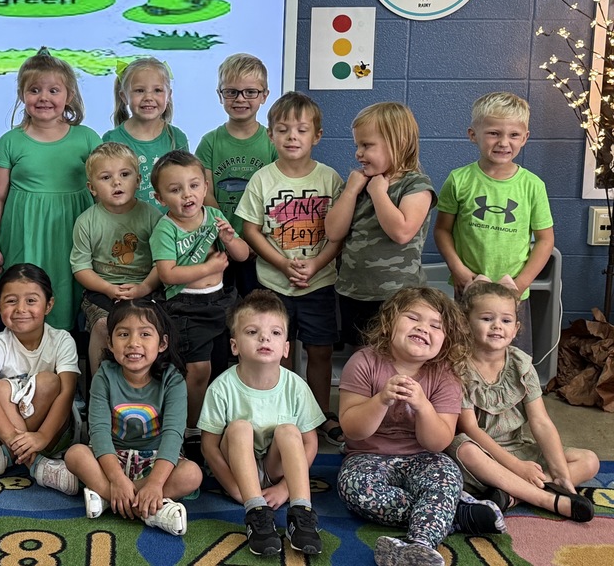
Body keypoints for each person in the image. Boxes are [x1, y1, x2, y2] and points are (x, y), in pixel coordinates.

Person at [337, 287, 505, 566]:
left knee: (448, 474)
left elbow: (438, 442)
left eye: (436, 326)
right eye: (413, 318)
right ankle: (454, 513)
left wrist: (423, 406)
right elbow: (353, 430)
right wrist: (381, 400)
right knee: (354, 490)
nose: (423, 328)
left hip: (423, 457)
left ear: (446, 340)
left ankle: (420, 543)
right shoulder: (364, 362)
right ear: (389, 323)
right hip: (366, 457)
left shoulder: (446, 375)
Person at [237, 92, 344, 447]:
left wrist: (316, 264)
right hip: (273, 285)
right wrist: (282, 263)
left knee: (320, 351)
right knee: (276, 351)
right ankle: (282, 411)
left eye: (301, 129)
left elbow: (339, 233)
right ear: (271, 135)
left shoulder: (330, 179)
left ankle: (320, 413)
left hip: (319, 283)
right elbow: (250, 229)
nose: (292, 137)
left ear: (317, 136)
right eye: (283, 130)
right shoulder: (262, 180)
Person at [447, 281, 597, 521]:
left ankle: (512, 495)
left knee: (589, 461)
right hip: (483, 455)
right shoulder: (459, 368)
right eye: (487, 318)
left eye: (506, 320)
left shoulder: (521, 364)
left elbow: (541, 422)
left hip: (517, 448)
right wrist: (517, 467)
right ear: (466, 323)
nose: (497, 326)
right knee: (463, 448)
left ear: (516, 328)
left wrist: (561, 474)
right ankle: (542, 496)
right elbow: (470, 429)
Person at [199, 289, 325, 556]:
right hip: (238, 472)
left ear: (286, 348)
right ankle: (256, 513)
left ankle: (302, 513)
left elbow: (310, 443)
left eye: (275, 333)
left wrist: (284, 489)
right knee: (239, 427)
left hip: (276, 469)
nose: (265, 338)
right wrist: (235, 489)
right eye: (252, 332)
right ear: (234, 345)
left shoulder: (296, 387)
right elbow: (209, 447)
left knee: (290, 431)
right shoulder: (221, 388)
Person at [0, 48, 102, 331]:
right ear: (22, 94)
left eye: (53, 90)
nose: (43, 98)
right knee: (24, 293)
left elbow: (105, 192)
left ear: (69, 95)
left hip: (72, 231)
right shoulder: (9, 143)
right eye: (34, 90)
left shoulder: (87, 139)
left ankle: (66, 353)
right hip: (24, 234)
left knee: (68, 293)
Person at [64, 299, 203, 536]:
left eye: (145, 334)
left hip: (156, 462)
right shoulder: (105, 375)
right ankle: (146, 508)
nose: (133, 343)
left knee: (192, 474)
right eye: (123, 334)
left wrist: (155, 484)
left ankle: (111, 499)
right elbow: (98, 431)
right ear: (110, 342)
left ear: (162, 343)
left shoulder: (173, 380)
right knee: (75, 454)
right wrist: (117, 479)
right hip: (112, 459)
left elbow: (173, 435)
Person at [434, 92, 554, 355]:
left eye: (513, 135)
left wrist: (521, 284)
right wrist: (459, 271)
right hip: (469, 289)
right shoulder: (458, 180)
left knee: (512, 359)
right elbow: (442, 230)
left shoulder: (533, 186)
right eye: (493, 133)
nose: (503, 142)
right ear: (473, 134)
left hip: (512, 293)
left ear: (525, 138)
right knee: (462, 356)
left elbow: (545, 240)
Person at [149, 149, 250, 450]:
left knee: (225, 364)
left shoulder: (215, 217)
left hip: (221, 301)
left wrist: (230, 239)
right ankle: (190, 428)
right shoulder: (165, 229)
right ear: (160, 198)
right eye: (175, 189)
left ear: (205, 188)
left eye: (194, 185)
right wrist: (208, 268)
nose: (187, 195)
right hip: (185, 307)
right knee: (198, 370)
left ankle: (217, 422)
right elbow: (167, 274)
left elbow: (242, 255)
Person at [0, 263, 81, 493]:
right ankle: (36, 464)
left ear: (49, 305)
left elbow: (67, 392)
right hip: (4, 435)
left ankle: (4, 457)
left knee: (50, 382)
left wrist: (42, 436)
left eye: (31, 300)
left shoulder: (62, 340)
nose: (21, 309)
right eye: (11, 301)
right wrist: (12, 437)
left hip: (51, 436)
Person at [325, 102, 436, 348]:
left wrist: (378, 193)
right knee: (362, 357)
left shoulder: (416, 185)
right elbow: (333, 232)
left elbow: (402, 232)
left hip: (398, 297)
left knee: (395, 356)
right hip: (354, 292)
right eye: (357, 145)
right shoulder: (357, 184)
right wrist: (351, 190)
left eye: (367, 145)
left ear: (398, 143)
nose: (358, 153)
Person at [70, 141, 163, 375]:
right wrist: (108, 289)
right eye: (106, 177)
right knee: (104, 326)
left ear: (138, 180)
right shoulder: (86, 221)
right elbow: (81, 268)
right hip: (102, 291)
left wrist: (144, 287)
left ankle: (150, 385)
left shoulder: (152, 216)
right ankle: (99, 386)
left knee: (150, 325)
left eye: (124, 174)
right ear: (92, 188)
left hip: (147, 287)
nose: (116, 182)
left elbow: (162, 262)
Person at [195, 52, 277, 297]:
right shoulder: (210, 142)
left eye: (250, 92)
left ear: (264, 95)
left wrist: (255, 241)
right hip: (220, 245)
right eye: (231, 92)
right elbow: (205, 193)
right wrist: (229, 237)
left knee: (257, 306)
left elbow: (276, 196)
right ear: (220, 95)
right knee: (224, 308)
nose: (240, 99)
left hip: (261, 246)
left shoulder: (273, 142)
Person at [102, 57, 189, 210]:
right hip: (126, 223)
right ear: (124, 96)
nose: (148, 97)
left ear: (168, 95)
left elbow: (187, 184)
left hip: (170, 223)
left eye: (157, 90)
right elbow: (105, 188)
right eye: (139, 90)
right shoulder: (111, 140)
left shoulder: (177, 138)